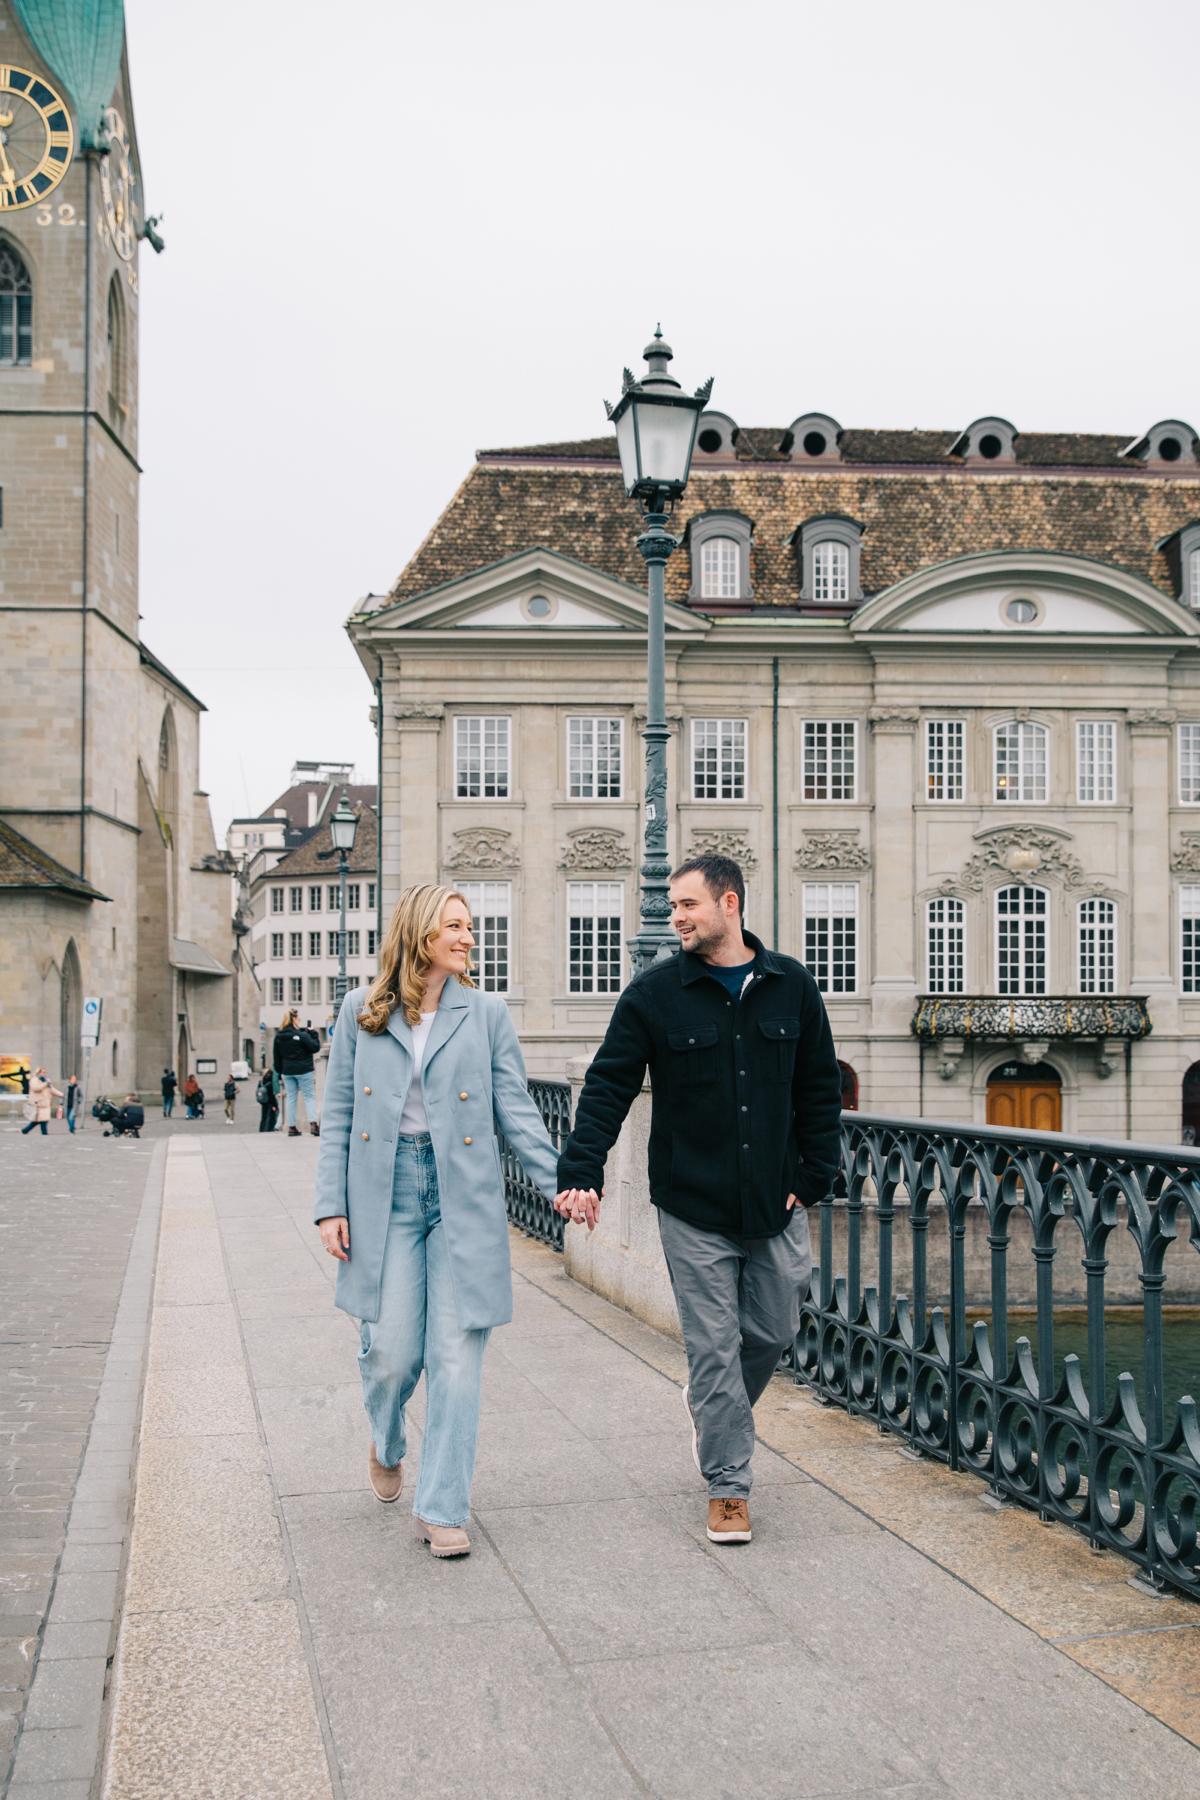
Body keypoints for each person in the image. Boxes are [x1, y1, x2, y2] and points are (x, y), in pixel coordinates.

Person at [555, 854, 842, 1547]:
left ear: (730, 904)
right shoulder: (654, 995)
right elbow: (607, 1087)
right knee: (714, 1347)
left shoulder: (791, 987)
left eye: (688, 905)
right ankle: (728, 1485)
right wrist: (581, 1169)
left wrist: (816, 1174)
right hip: (691, 1203)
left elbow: (819, 1088)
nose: (676, 917)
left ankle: (713, 1412)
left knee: (772, 1332)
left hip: (776, 1200)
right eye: (674, 906)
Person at [313, 885, 566, 1558]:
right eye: (455, 926)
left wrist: (563, 1185)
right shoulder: (360, 1012)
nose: (468, 937)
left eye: (469, 927)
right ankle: (388, 1438)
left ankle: (443, 1506)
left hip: (462, 1198)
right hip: (384, 1194)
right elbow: (338, 1113)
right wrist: (329, 1206)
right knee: (392, 1351)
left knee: (456, 1358)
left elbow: (515, 1108)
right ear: (421, 933)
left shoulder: (485, 1013)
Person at [274, 1009, 321, 1137]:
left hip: (287, 1071)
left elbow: (276, 1057)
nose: (299, 1021)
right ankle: (313, 1125)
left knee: (291, 1098)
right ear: (293, 1019)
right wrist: (313, 1034)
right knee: (309, 1096)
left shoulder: (279, 1036)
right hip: (304, 1070)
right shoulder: (302, 1035)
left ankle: (292, 1127)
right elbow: (315, 1047)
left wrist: (280, 1071)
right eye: (298, 1019)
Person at [20, 1067, 63, 1137]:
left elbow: (52, 1089)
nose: (44, 1074)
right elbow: (36, 1088)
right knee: (42, 1120)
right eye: (42, 1072)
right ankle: (44, 1133)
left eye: (45, 1072)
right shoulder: (34, 1080)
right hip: (38, 1104)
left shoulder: (46, 1081)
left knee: (39, 1120)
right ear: (38, 1073)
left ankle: (25, 1130)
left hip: (46, 1104)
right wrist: (45, 1084)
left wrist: (61, 1094)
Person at [257, 1064, 279, 1132]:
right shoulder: (270, 1083)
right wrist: (274, 1105)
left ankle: (262, 1129)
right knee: (271, 1117)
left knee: (264, 1117)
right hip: (270, 1103)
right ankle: (268, 1129)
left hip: (263, 1102)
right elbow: (271, 1096)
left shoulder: (261, 1082)